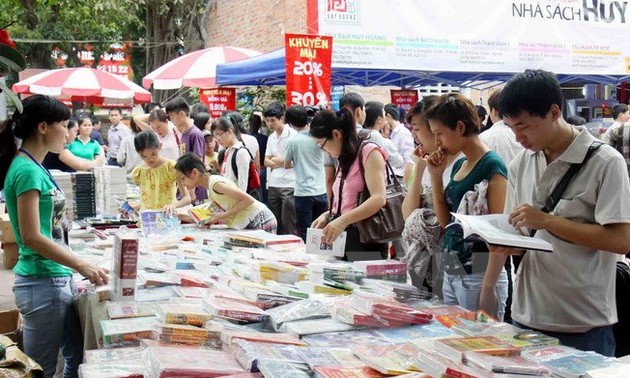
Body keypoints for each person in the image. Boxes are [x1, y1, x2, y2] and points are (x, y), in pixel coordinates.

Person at [497, 69, 630, 356]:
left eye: (524, 126)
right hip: (526, 316)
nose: (518, 137)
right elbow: (520, 236)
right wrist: (501, 241)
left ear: (554, 112)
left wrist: (546, 221)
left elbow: (621, 240)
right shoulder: (521, 162)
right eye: (511, 128)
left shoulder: (606, 162)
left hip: (582, 323)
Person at [0, 95, 108, 378]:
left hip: (55, 278)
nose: (70, 131)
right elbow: (33, 236)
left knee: (75, 358)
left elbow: (50, 226)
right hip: (41, 282)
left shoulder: (35, 166)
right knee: (40, 370)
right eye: (64, 124)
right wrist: (82, 265)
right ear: (43, 127)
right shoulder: (25, 170)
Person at [425, 93, 509, 321]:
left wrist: (488, 288)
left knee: (480, 343)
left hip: (479, 272)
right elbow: (446, 223)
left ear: (460, 127)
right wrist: (435, 176)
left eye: (439, 133)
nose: (437, 142)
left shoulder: (492, 166)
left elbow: (496, 235)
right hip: (453, 268)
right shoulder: (460, 163)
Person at [310, 108, 389, 260]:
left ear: (336, 134)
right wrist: (329, 214)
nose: (323, 150)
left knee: (362, 283)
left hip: (366, 238)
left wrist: (343, 220)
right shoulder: (344, 157)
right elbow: (349, 199)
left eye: (322, 145)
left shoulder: (369, 152)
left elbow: (379, 198)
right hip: (343, 237)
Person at [402, 96, 461, 295]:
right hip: (424, 261)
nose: (415, 136)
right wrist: (419, 168)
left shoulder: (458, 164)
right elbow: (407, 214)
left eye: (417, 129)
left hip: (452, 261)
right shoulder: (429, 163)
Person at [479, 88, 524, 323]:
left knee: (501, 265)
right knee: (518, 266)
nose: (519, 135)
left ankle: (505, 312)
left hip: (501, 213)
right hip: (520, 212)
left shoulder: (486, 139)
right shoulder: (523, 142)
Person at [175, 153, 277, 233]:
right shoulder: (210, 188)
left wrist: (224, 215)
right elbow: (208, 218)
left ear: (195, 173)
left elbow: (248, 199)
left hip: (260, 220)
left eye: (183, 178)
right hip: (250, 222)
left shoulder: (216, 184)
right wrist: (178, 216)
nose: (183, 183)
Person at [283, 105, 328, 241]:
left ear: (290, 123)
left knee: (305, 231)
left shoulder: (292, 141)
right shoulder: (319, 137)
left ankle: (308, 259)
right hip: (321, 190)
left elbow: (286, 164)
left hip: (303, 193)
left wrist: (298, 162)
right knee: (320, 229)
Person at [132, 131, 191, 211]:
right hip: (146, 219)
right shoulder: (138, 172)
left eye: (154, 154)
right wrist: (133, 207)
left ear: (160, 146)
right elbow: (146, 200)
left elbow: (187, 198)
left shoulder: (172, 167)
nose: (150, 159)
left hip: (166, 218)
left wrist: (173, 205)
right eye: (144, 156)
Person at [263, 102, 297, 235]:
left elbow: (292, 162)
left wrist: (275, 160)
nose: (270, 124)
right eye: (267, 121)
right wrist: (282, 160)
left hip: (289, 183)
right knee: (275, 222)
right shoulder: (271, 137)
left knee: (288, 221)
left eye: (273, 120)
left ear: (282, 118)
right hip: (273, 183)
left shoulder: (293, 135)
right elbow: (265, 161)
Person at [165, 97, 207, 203]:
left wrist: (192, 191)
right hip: (187, 186)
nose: (172, 121)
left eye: (172, 117)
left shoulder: (195, 134)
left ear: (182, 115)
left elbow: (197, 163)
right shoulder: (185, 134)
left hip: (195, 189)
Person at [210, 117, 251, 191]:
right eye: (215, 137)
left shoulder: (241, 152)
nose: (217, 140)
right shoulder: (227, 151)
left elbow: (243, 185)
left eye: (218, 135)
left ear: (229, 131)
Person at [363, 101, 405, 171]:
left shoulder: (361, 134)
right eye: (384, 115)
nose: (386, 118)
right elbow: (398, 162)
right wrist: (386, 139)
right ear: (379, 119)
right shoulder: (381, 140)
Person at [384, 103, 415, 183]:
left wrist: (404, 185)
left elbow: (410, 160)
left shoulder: (403, 133)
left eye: (382, 116)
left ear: (388, 116)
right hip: (390, 178)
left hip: (399, 178)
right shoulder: (389, 133)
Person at [249, 111, 269, 202]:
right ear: (261, 124)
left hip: (249, 169)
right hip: (263, 168)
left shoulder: (246, 138)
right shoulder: (265, 138)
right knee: (264, 196)